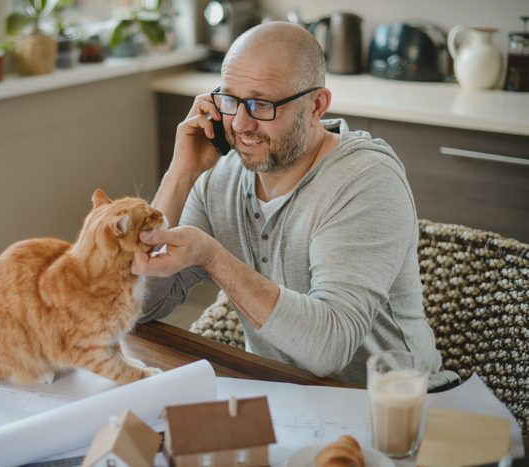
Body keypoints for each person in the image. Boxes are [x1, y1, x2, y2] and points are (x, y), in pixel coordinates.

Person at [132, 21, 458, 389]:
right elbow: (136, 309)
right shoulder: (217, 178)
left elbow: (328, 351)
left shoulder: (366, 180)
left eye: (260, 103)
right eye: (229, 99)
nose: (239, 123)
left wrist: (213, 257)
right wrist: (181, 174)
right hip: (281, 392)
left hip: (396, 405)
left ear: (316, 104)